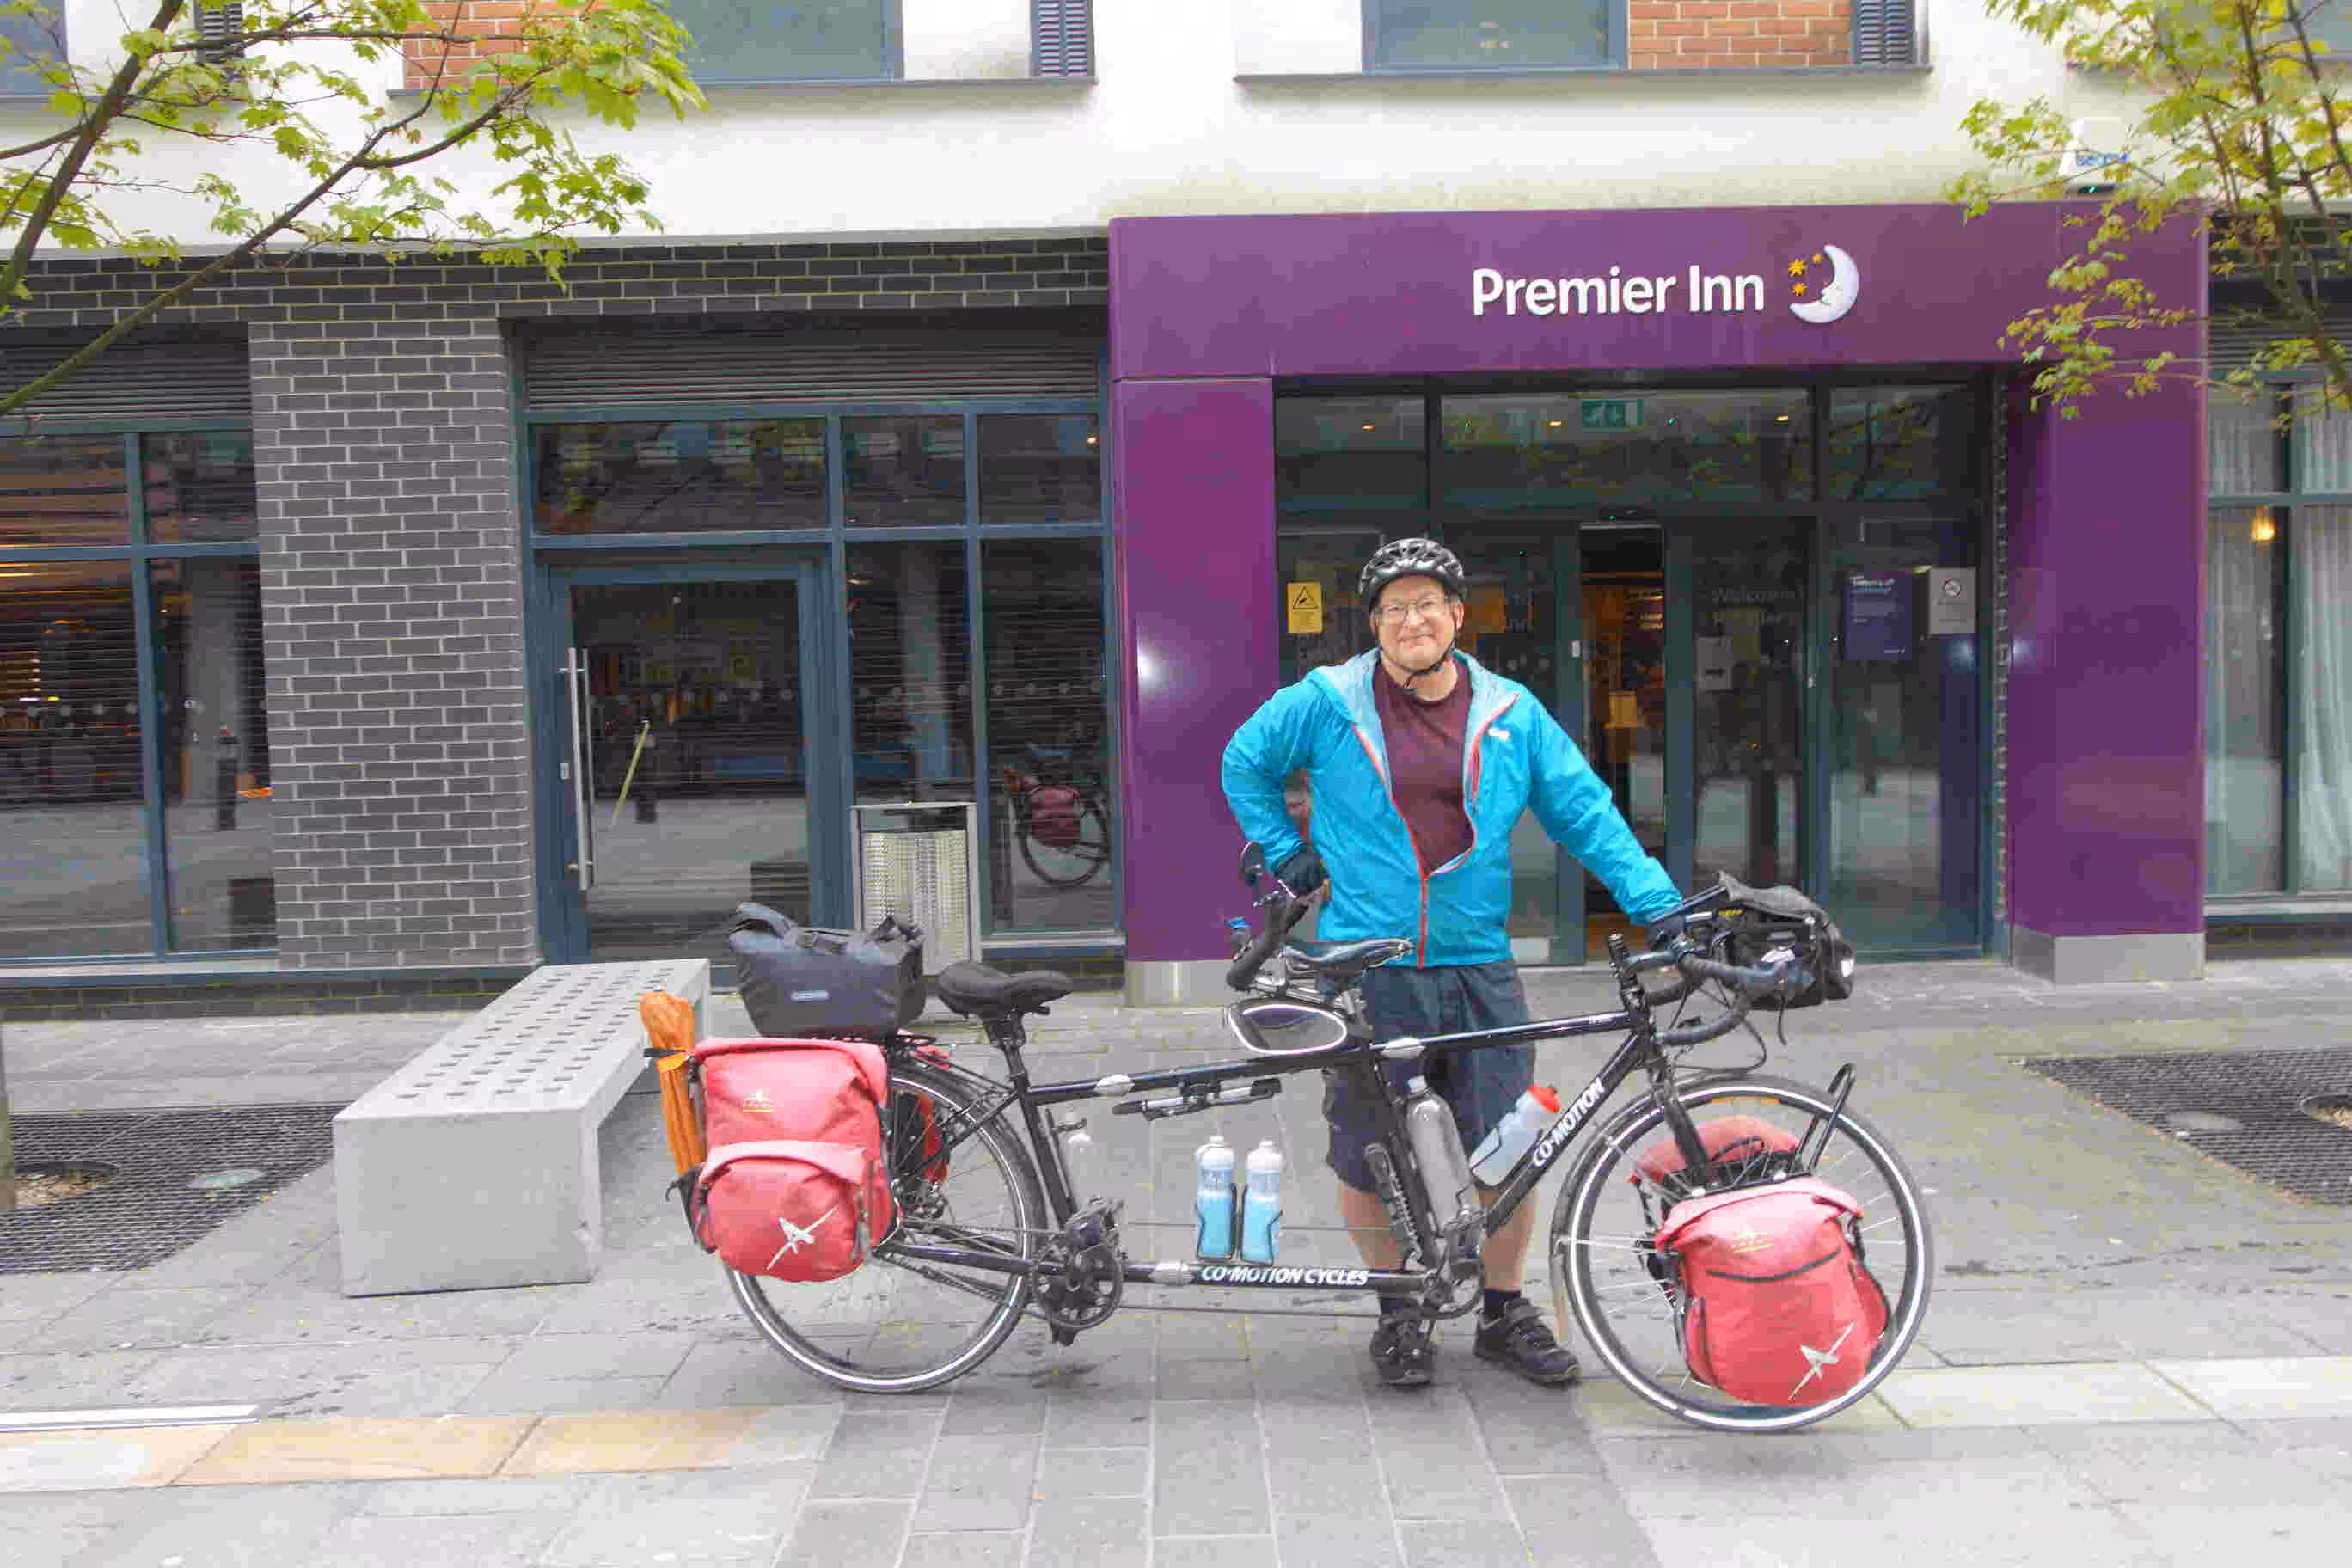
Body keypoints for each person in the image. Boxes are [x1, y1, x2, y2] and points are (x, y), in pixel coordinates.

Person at [1222, 537, 1683, 1389]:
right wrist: (1286, 853)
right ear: (1374, 625)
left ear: (1457, 616)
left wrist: (1660, 907)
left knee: (1510, 1144)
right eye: (1394, 608)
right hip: (1368, 966)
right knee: (1368, 1149)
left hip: (1477, 962)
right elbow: (1243, 762)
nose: (1412, 621)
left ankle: (1503, 1311)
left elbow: (1585, 812)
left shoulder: (1510, 711)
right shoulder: (1327, 701)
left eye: (1427, 603)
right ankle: (1399, 1311)